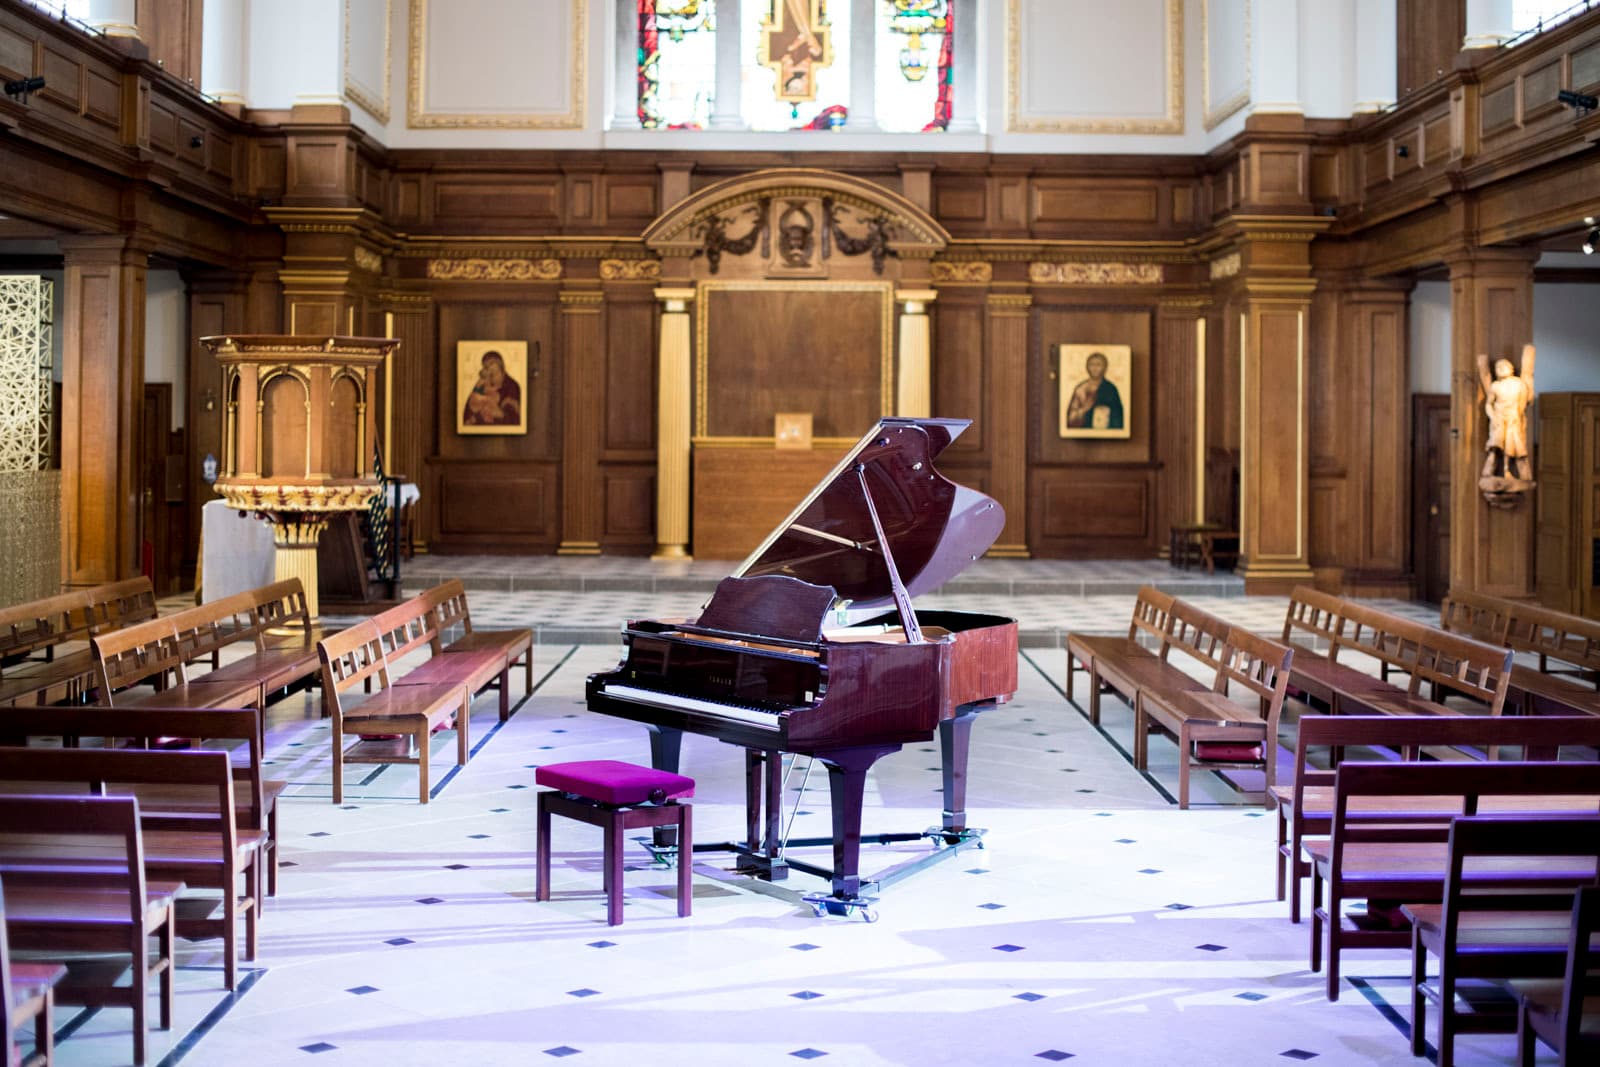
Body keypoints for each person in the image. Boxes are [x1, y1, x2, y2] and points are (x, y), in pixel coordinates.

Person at [1476, 343, 1536, 480]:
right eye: (1498, 367)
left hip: (1513, 418)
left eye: (1504, 366)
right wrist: (1493, 416)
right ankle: (1491, 468)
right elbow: (1489, 404)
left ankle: (1515, 471)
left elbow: (1524, 401)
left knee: (1514, 445)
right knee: (1496, 443)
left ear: (1511, 369)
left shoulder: (1518, 383)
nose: (1501, 369)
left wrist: (1518, 414)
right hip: (1499, 418)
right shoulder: (1496, 386)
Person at [1065, 351, 1124, 431]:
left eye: (1098, 365)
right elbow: (1070, 418)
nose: (1095, 368)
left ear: (1105, 367)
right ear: (1087, 367)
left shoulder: (1111, 389)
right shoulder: (1080, 388)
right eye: (1092, 364)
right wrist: (1083, 411)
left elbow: (1118, 416)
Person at [462, 350, 522, 427]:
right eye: (486, 365)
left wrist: (500, 414)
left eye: (492, 363)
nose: (489, 366)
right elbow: (468, 411)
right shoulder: (482, 382)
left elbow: (516, 420)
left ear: (501, 367)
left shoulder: (512, 386)